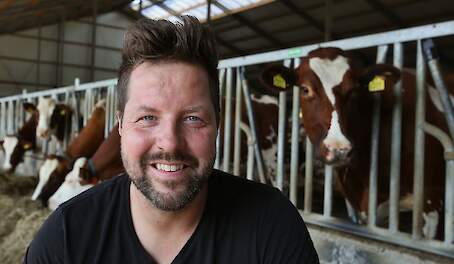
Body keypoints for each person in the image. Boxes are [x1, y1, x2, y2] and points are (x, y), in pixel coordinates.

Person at [24, 16, 319, 264]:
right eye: (147, 118)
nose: (170, 143)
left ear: (217, 125)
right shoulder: (66, 240)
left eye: (193, 118)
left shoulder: (272, 226)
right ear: (121, 128)